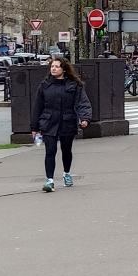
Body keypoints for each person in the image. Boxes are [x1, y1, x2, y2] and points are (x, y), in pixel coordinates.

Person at [32, 56, 91, 192]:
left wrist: (85, 118)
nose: (53, 69)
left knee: (66, 150)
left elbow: (83, 103)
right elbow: (37, 106)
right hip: (48, 122)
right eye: (52, 66)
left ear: (63, 69)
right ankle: (49, 181)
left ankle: (66, 173)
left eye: (57, 66)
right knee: (50, 151)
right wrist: (34, 127)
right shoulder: (45, 85)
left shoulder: (74, 85)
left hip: (67, 121)